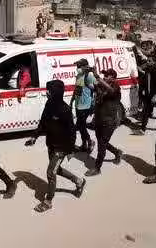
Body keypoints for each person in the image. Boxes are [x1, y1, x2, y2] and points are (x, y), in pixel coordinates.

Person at [25, 80, 86, 212]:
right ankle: (79, 181)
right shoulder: (49, 104)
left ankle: (48, 201)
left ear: (56, 93)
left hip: (62, 148)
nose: (46, 93)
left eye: (49, 91)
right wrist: (34, 136)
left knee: (50, 172)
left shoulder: (65, 109)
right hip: (51, 144)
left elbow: (72, 132)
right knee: (56, 170)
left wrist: (70, 150)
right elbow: (43, 122)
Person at [85, 69, 124, 176]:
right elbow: (90, 86)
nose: (105, 77)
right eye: (104, 75)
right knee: (102, 142)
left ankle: (97, 168)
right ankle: (117, 152)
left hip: (110, 121)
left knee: (102, 145)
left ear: (113, 77)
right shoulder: (101, 86)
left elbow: (111, 90)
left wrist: (98, 78)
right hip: (99, 119)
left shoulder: (116, 87)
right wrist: (86, 74)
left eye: (107, 75)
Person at [69, 58, 96, 152]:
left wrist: (93, 103)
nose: (77, 68)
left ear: (85, 66)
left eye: (79, 66)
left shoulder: (89, 76)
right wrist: (72, 101)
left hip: (86, 105)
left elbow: (95, 88)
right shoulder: (78, 75)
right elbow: (77, 89)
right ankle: (84, 144)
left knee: (80, 125)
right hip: (78, 104)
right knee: (81, 125)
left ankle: (89, 141)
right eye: (77, 66)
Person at [136, 56, 156, 135]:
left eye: (149, 61)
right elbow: (145, 80)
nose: (147, 62)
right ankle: (143, 128)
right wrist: (143, 91)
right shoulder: (148, 69)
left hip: (155, 95)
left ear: (154, 62)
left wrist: (155, 95)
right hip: (148, 94)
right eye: (147, 61)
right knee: (146, 111)